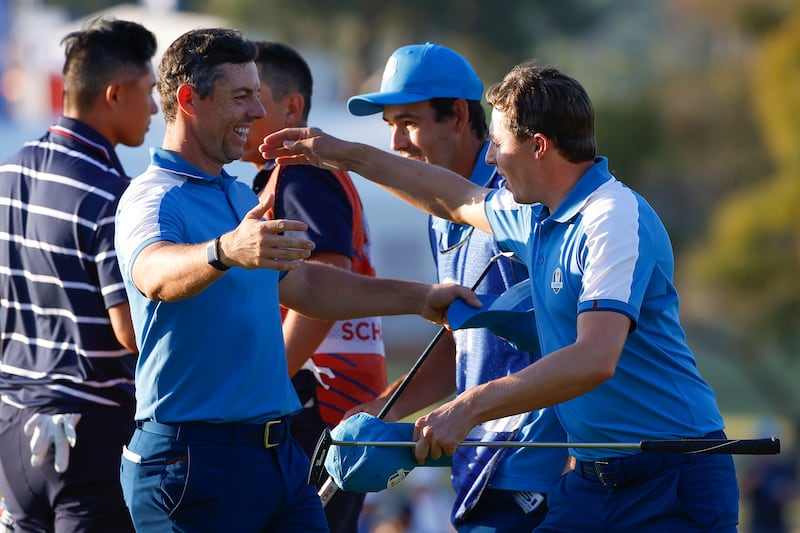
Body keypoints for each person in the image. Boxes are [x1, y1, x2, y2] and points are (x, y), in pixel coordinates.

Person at [260, 60, 741, 531]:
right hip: (592, 482)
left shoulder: (612, 217)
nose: (489, 158)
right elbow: (453, 197)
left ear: (539, 146)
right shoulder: (536, 214)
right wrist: (344, 154)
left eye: (498, 144)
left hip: (675, 475)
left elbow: (596, 357)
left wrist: (466, 408)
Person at [114, 28, 477, 532]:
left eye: (257, 96)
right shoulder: (153, 197)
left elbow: (311, 286)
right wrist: (225, 251)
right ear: (189, 99)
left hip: (277, 456)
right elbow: (152, 272)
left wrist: (422, 298)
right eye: (241, 97)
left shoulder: (239, 198)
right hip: (192, 462)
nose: (256, 113)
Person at [342, 42, 567, 532]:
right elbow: (463, 343)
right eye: (390, 128)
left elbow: (568, 342)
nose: (397, 143)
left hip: (535, 472)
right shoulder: (441, 219)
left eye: (408, 122)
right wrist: (380, 413)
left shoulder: (516, 201)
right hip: (482, 469)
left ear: (459, 116)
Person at [0, 18, 157, 532]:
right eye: (149, 92)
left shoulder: (7, 175)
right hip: (87, 438)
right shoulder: (113, 195)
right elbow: (131, 331)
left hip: (11, 431)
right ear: (114, 94)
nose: (155, 109)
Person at [240, 41, 387, 533]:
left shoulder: (300, 172)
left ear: (292, 108)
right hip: (323, 396)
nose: (245, 110)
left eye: (253, 96)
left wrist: (260, 385)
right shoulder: (282, 177)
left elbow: (326, 286)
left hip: (318, 398)